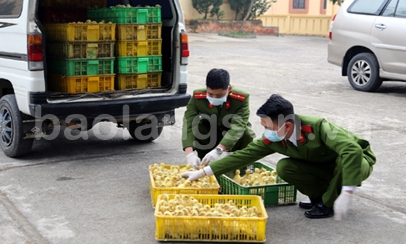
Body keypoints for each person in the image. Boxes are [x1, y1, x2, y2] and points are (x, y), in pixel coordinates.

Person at [181, 94, 376, 220]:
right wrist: (202, 173)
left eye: (267, 127)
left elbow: (352, 151)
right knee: (285, 167)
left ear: (287, 125)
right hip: (324, 167)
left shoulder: (318, 127)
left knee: (346, 160)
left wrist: (348, 191)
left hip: (357, 163)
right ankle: (320, 199)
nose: (266, 132)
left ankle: (327, 204)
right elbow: (243, 157)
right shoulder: (275, 137)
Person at [182, 68, 256, 169]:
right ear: (206, 87)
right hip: (209, 131)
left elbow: (237, 127)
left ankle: (242, 165)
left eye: (219, 95)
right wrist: (189, 153)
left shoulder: (241, 98)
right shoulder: (198, 97)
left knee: (246, 133)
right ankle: (204, 163)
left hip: (231, 131)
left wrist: (219, 150)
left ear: (228, 89)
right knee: (199, 128)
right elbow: (189, 123)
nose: (214, 98)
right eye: (211, 94)